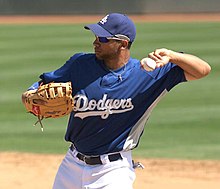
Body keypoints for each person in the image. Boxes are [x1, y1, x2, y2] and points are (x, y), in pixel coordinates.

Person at [22, 13, 211, 189]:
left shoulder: (149, 75)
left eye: (103, 39)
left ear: (123, 43)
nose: (95, 42)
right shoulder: (80, 64)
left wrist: (173, 56)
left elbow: (203, 70)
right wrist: (29, 93)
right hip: (72, 164)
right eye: (96, 36)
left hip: (113, 171)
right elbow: (43, 83)